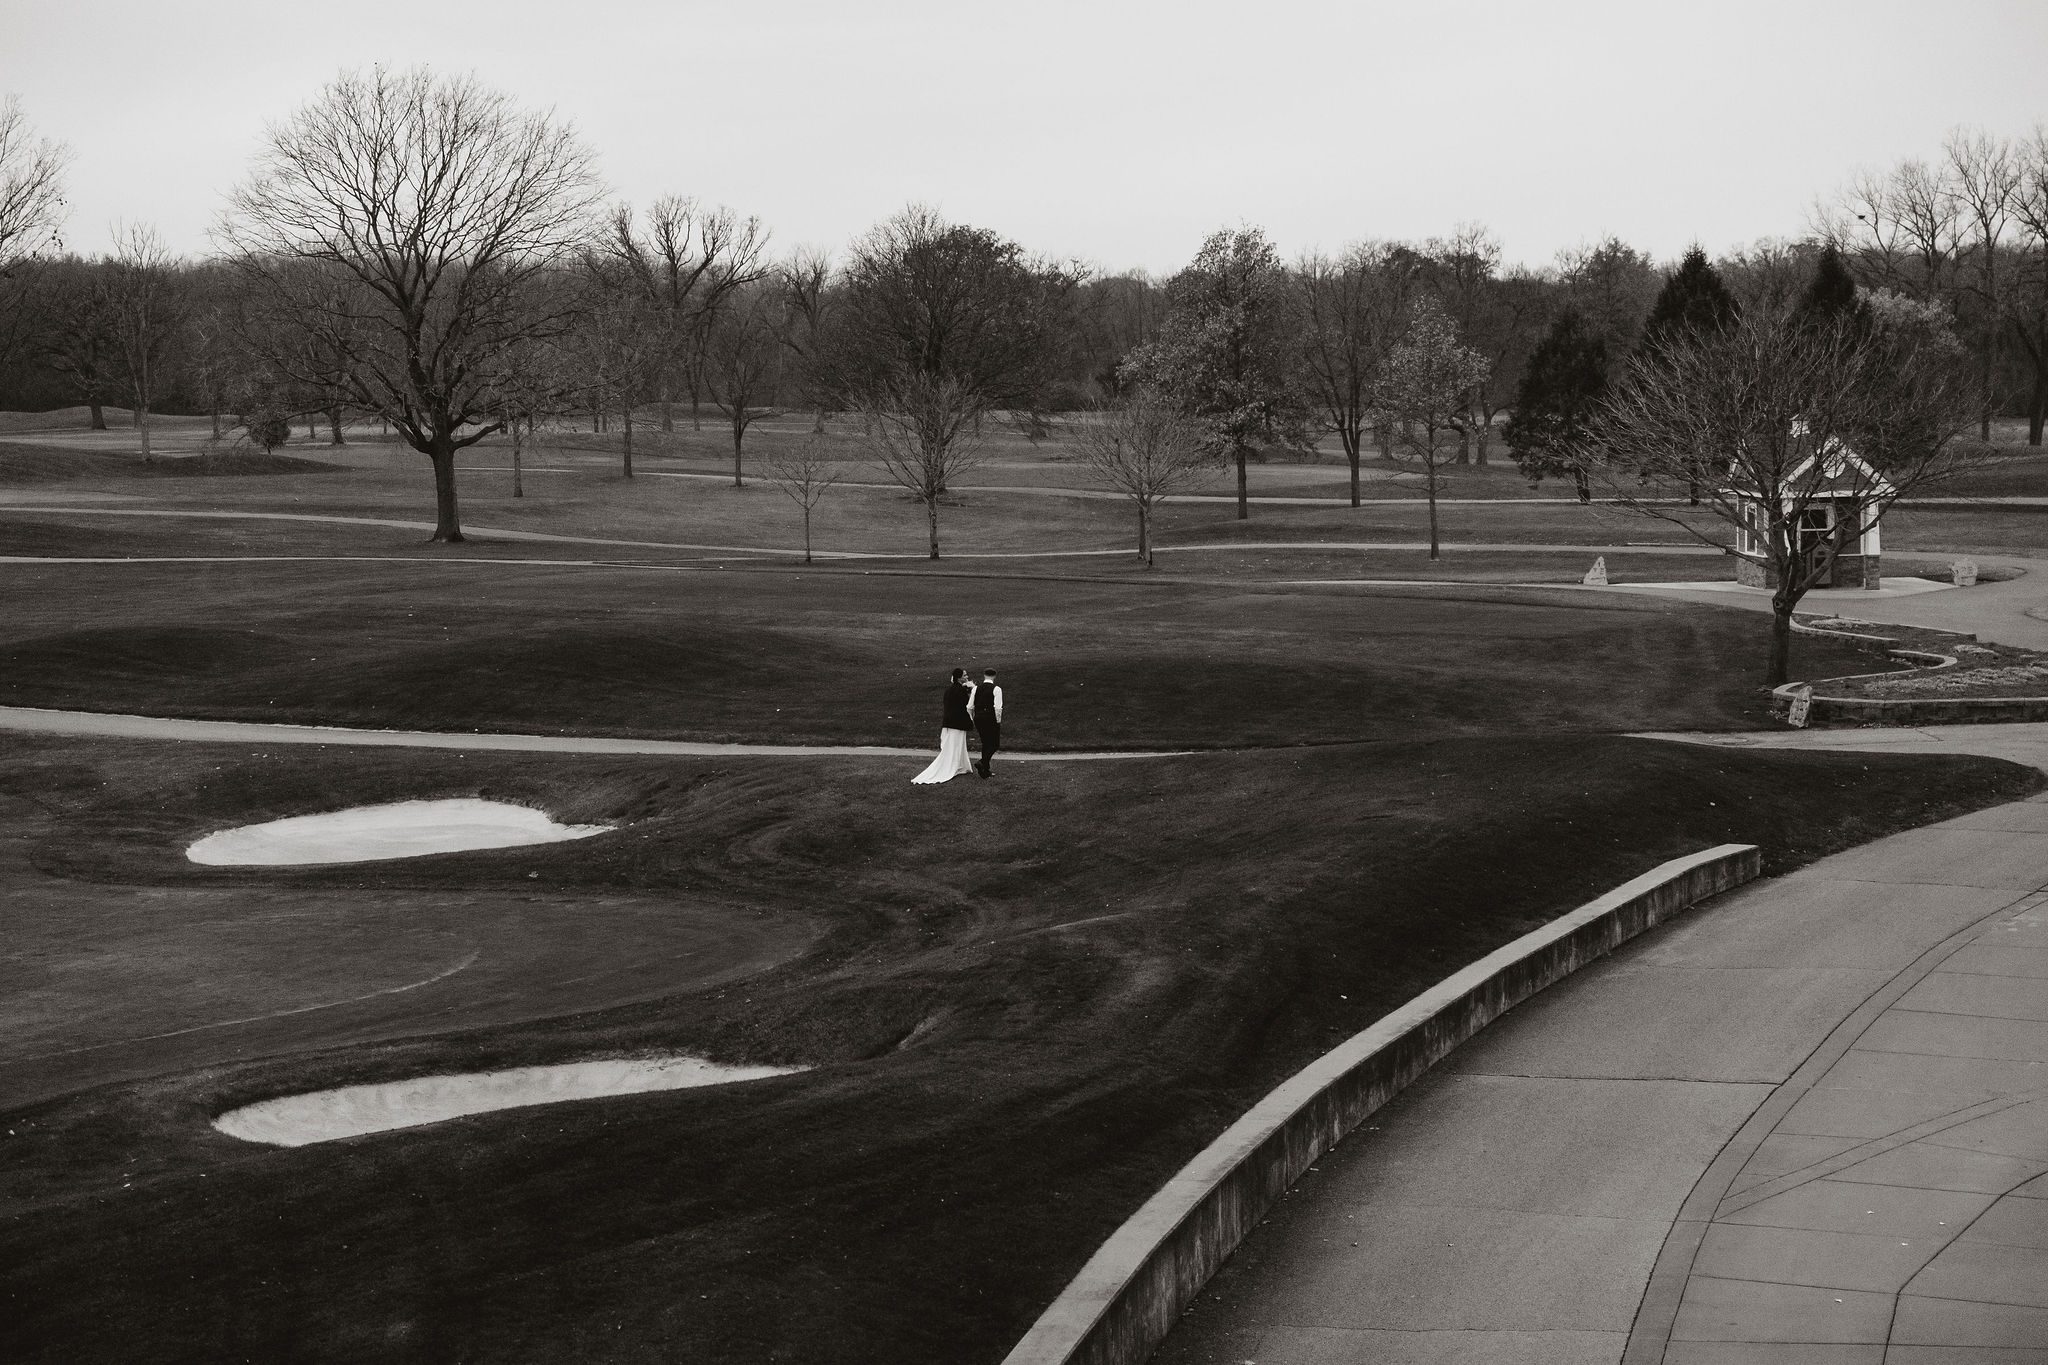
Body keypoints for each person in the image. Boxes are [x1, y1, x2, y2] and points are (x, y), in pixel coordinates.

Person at [911, 667, 976, 784]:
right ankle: (953, 767)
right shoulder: (960, 691)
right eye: (965, 675)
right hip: (958, 723)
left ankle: (960, 765)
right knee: (956, 746)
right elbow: (965, 707)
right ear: (959, 678)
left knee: (956, 745)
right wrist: (971, 693)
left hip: (949, 722)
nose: (967, 677)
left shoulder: (949, 690)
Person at [968, 668, 1003, 779]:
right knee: (994, 744)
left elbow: (969, 706)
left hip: (979, 717)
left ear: (984, 675)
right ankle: (982, 762)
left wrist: (973, 718)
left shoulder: (976, 689)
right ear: (994, 676)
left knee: (985, 743)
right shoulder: (996, 689)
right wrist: (998, 721)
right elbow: (998, 708)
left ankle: (985, 771)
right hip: (990, 718)